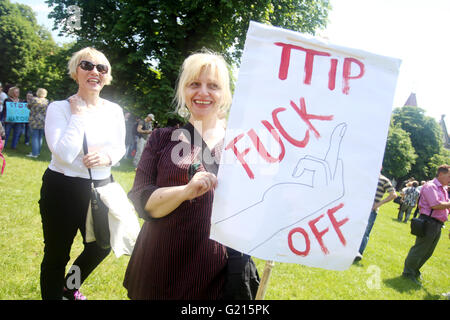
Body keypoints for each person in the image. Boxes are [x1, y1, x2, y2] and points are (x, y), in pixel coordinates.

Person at [124, 51, 232, 299]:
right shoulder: (162, 138)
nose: (203, 92)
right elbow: (142, 200)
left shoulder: (241, 146)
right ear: (184, 91)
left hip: (212, 269)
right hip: (159, 263)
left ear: (224, 94)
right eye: (194, 84)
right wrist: (185, 192)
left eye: (213, 86)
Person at [38, 47, 126, 300]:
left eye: (101, 68)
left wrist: (108, 157)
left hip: (100, 187)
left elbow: (120, 147)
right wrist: (78, 115)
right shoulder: (59, 108)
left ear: (107, 76)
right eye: (87, 65)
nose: (94, 71)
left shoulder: (114, 110)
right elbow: (63, 154)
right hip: (62, 188)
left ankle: (68, 287)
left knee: (101, 246)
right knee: (56, 254)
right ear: (76, 72)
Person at [402, 164, 450, 285]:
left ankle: (415, 271)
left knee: (428, 251)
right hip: (428, 222)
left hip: (438, 224)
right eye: (449, 176)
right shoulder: (431, 186)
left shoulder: (443, 189)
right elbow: (435, 204)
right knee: (420, 249)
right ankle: (408, 273)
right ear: (441, 174)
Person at [354, 173, 397, 262]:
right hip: (358, 208)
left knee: (365, 232)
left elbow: (393, 194)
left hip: (371, 210)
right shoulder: (365, 177)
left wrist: (379, 203)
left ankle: (358, 253)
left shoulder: (384, 180)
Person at [26, 88, 49, 158]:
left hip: (34, 119)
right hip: (43, 120)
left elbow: (28, 106)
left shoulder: (34, 100)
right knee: (40, 137)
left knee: (35, 137)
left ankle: (34, 153)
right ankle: (37, 152)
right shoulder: (46, 101)